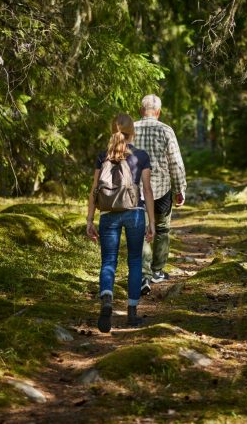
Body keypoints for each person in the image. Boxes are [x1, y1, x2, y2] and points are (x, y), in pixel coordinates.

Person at [86, 113, 155, 333]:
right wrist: (152, 221)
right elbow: (147, 190)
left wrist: (89, 219)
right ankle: (132, 313)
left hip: (108, 214)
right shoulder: (141, 156)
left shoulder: (102, 156)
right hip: (134, 213)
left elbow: (94, 189)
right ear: (132, 131)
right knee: (135, 260)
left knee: (108, 261)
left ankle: (107, 297)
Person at [133, 94, 187, 295]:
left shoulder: (132, 129)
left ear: (141, 110)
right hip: (162, 189)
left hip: (136, 190)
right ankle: (156, 271)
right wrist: (180, 189)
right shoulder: (166, 130)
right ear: (158, 112)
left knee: (141, 231)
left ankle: (143, 275)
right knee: (162, 229)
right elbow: (175, 162)